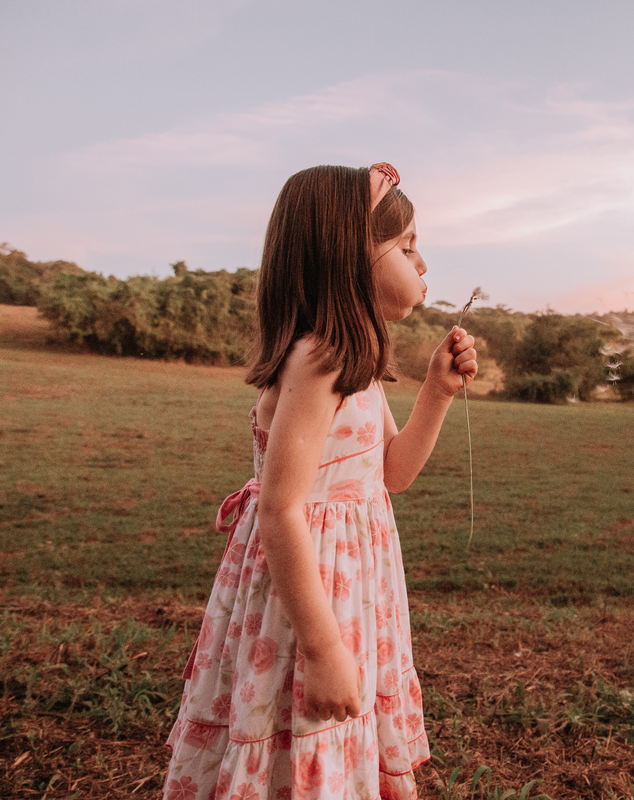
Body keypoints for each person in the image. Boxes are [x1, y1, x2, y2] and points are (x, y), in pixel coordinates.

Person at [163, 163, 477, 800]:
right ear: (346, 256)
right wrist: (324, 648)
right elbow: (281, 511)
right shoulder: (320, 358)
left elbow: (392, 472)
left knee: (332, 745)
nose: (421, 264)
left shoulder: (357, 353)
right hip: (306, 602)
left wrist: (438, 392)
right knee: (298, 733)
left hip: (350, 591)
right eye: (407, 246)